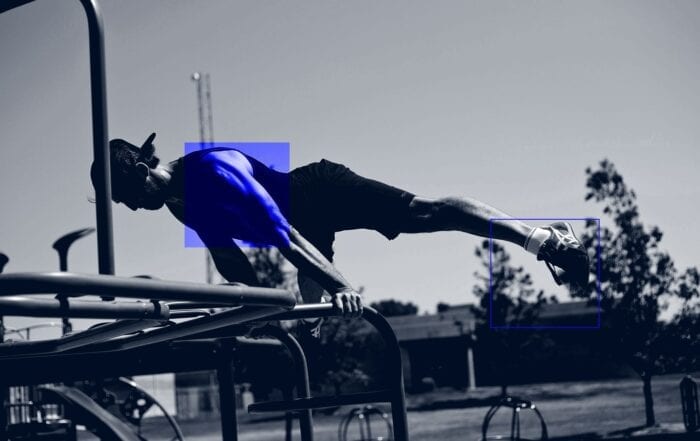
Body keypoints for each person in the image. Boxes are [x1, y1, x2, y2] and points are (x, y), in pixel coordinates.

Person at [91, 133, 590, 334]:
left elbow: (282, 234)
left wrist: (343, 285)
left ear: (138, 167)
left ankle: (541, 237)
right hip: (300, 236)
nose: (130, 208)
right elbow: (233, 265)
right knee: (307, 334)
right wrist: (252, 314)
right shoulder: (179, 207)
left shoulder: (212, 170)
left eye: (126, 196)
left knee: (424, 213)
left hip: (318, 192)